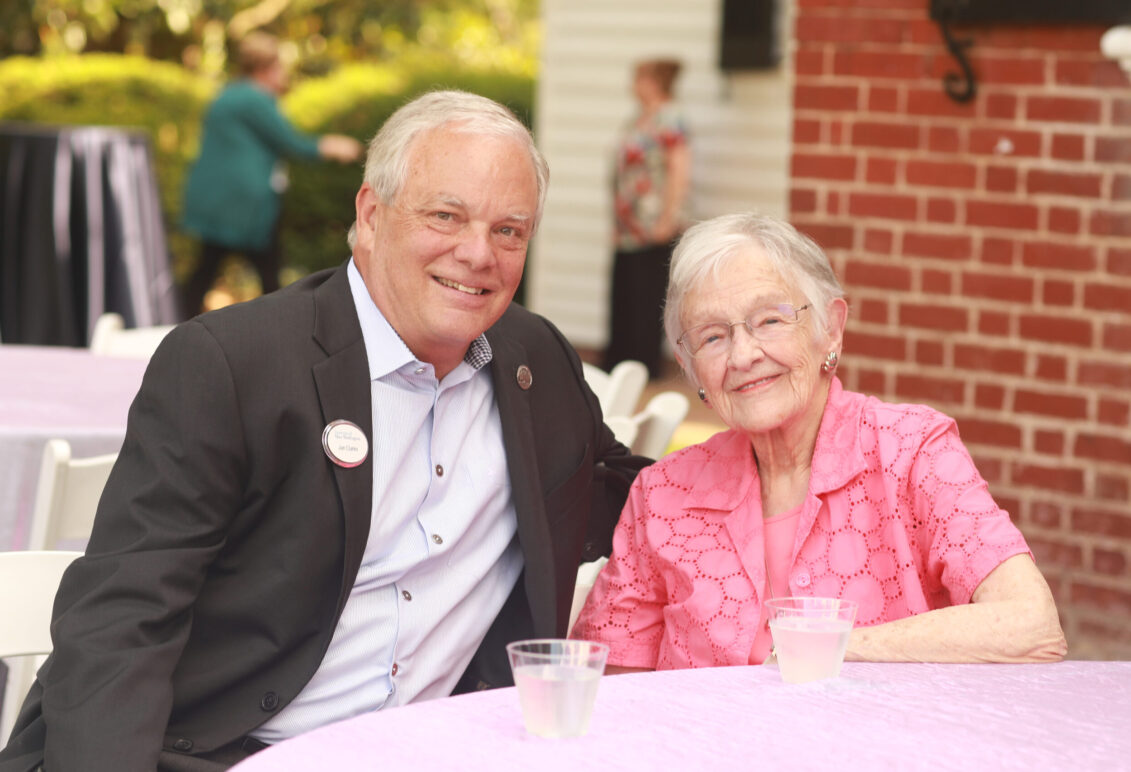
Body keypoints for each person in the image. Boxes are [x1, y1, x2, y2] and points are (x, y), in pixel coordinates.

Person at [0, 90, 648, 771]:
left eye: (509, 231)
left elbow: (638, 502)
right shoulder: (233, 365)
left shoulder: (533, 360)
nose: (478, 253)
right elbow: (119, 621)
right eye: (445, 216)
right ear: (371, 214)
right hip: (209, 752)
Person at [573, 212, 1068, 670]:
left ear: (829, 328)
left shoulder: (913, 452)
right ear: (689, 367)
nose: (744, 355)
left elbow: (1031, 626)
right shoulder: (662, 497)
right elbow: (612, 683)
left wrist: (825, 648)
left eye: (770, 320)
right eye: (712, 337)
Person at [180, 31, 362, 317]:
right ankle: (281, 330)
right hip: (243, 204)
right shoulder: (255, 99)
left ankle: (179, 324)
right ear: (266, 68)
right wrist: (333, 146)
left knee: (208, 268)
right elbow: (290, 142)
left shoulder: (231, 94)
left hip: (222, 201)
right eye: (280, 67)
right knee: (267, 272)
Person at [602, 57, 691, 379]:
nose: (633, 86)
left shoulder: (671, 118)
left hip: (654, 224)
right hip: (628, 226)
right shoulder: (639, 119)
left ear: (654, 82)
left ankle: (643, 367)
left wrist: (669, 217)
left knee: (645, 294)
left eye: (638, 79)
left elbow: (679, 168)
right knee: (624, 292)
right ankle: (619, 362)